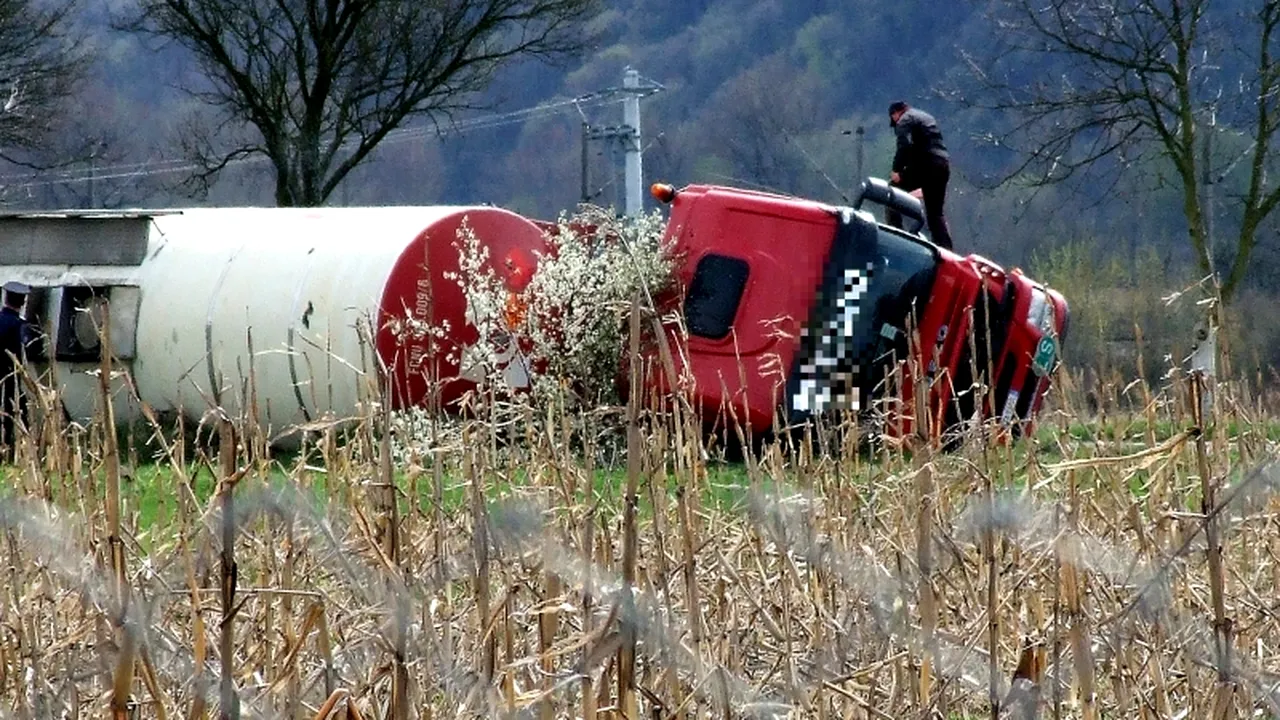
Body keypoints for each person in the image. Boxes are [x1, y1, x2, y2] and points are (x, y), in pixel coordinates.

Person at [887, 100, 954, 250]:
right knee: (935, 214)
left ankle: (895, 237)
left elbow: (904, 145)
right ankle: (946, 251)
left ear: (895, 114)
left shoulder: (904, 120)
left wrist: (897, 170)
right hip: (943, 165)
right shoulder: (926, 118)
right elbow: (922, 146)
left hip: (926, 165)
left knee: (891, 192)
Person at [0, 281, 34, 462]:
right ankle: (20, 453)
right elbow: (23, 351)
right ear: (22, 303)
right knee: (18, 414)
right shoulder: (18, 325)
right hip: (9, 378)